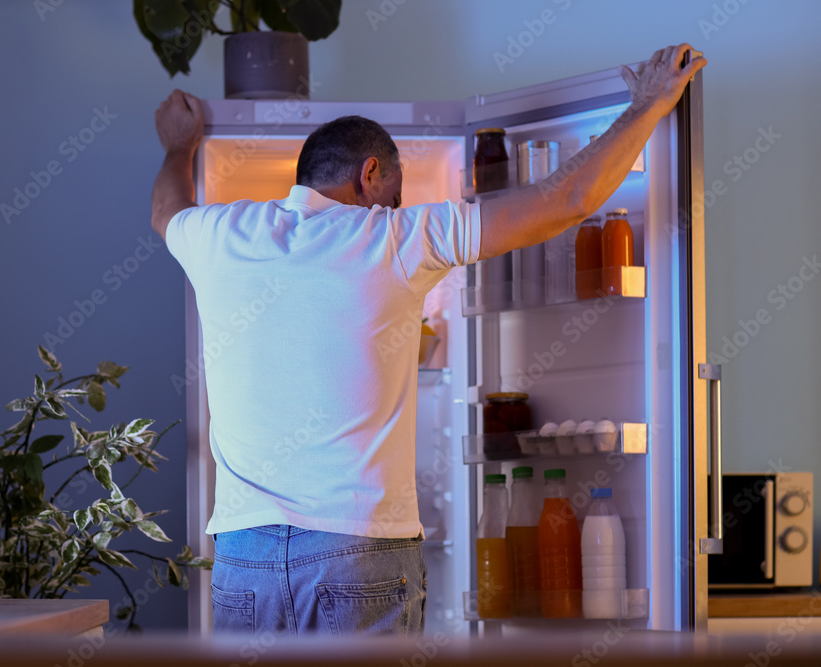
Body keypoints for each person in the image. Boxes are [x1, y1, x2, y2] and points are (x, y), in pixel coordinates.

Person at [150, 44, 706, 636]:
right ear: (369, 175)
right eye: (394, 194)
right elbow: (567, 200)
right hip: (358, 552)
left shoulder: (218, 234)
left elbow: (166, 209)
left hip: (243, 560)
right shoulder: (396, 238)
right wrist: (647, 106)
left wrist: (179, 147)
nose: (395, 208)